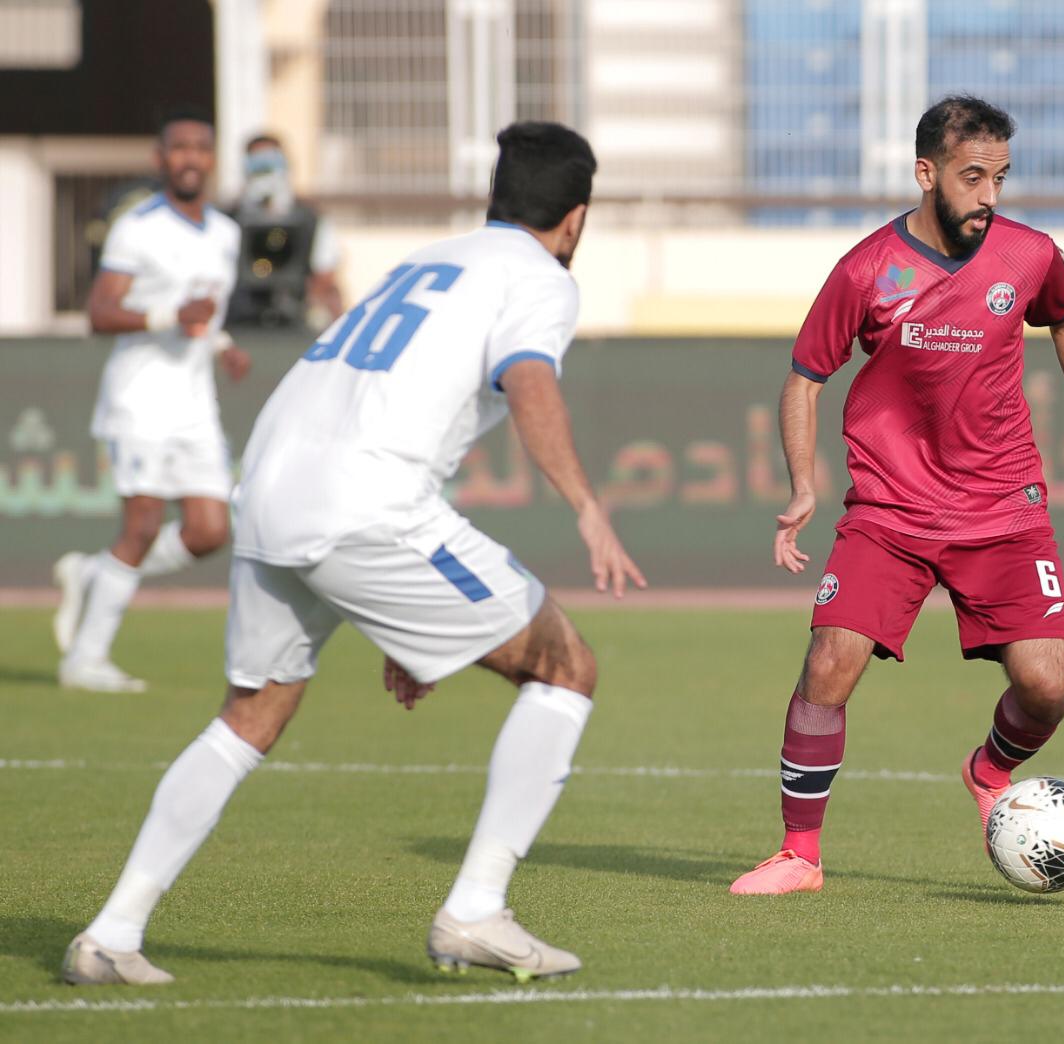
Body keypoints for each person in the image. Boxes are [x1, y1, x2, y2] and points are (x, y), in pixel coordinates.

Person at [63, 121, 646, 987]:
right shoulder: (540, 280)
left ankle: (111, 933)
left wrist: (405, 626)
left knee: (251, 713)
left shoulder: (425, 261)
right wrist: (590, 510)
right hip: (364, 504)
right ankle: (477, 910)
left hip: (268, 486)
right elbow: (530, 384)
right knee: (566, 669)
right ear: (577, 217)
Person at [729, 96, 1064, 896]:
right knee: (828, 665)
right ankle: (798, 854)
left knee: (1047, 685)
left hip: (1003, 508)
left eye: (1001, 177)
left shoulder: (1030, 255)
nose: (989, 195)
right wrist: (804, 484)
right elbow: (806, 379)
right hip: (892, 509)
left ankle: (988, 772)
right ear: (926, 173)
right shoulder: (867, 269)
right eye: (972, 176)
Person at [53, 108, 251, 694]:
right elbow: (99, 312)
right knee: (139, 526)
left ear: (213, 159)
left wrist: (223, 345)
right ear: (159, 159)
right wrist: (167, 316)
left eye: (201, 147)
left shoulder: (226, 233)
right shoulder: (136, 227)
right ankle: (84, 660)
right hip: (139, 397)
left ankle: (94, 574)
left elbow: (201, 311)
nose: (190, 157)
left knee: (210, 531)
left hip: (195, 401)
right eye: (179, 148)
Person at [225, 133, 343, 329]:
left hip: (294, 318)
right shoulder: (228, 220)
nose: (265, 172)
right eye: (258, 165)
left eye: (271, 162)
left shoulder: (310, 219)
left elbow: (325, 277)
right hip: (241, 321)